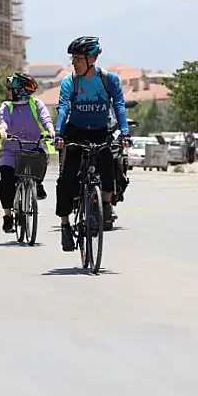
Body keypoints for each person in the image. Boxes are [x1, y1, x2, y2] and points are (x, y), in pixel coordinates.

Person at [54, 36, 129, 250]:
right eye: (72, 59)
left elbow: (120, 106)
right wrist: (59, 133)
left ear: (91, 59)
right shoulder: (71, 81)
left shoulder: (109, 80)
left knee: (109, 161)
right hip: (75, 132)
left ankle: (106, 203)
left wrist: (124, 132)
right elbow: (63, 108)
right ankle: (66, 226)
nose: (73, 63)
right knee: (66, 179)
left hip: (100, 131)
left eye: (77, 59)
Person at [0, 73, 54, 232]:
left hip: (32, 147)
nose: (7, 92)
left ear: (19, 90)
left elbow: (46, 119)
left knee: (42, 158)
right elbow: (4, 121)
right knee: (6, 178)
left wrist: (51, 131)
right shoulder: (6, 106)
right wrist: (2, 131)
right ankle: (8, 215)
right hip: (11, 150)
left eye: (10, 88)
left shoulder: (37, 104)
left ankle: (37, 183)